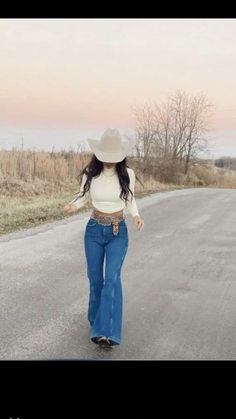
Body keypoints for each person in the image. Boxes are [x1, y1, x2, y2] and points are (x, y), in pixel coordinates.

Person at [64, 128, 144, 347]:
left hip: (118, 232)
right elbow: (82, 196)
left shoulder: (128, 174)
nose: (109, 161)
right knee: (95, 280)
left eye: (113, 157)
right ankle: (97, 320)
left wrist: (136, 216)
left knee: (111, 279)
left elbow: (130, 200)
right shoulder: (91, 173)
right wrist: (73, 205)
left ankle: (105, 332)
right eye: (106, 157)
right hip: (94, 231)